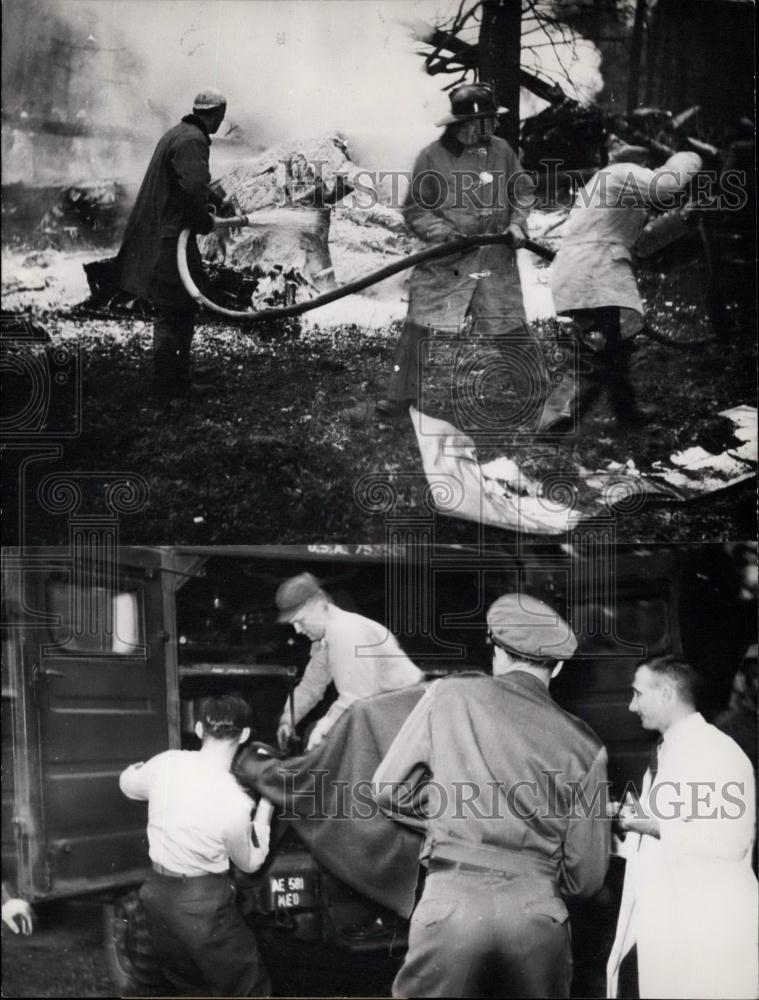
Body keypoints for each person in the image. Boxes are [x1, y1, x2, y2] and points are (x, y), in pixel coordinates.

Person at [372, 593, 610, 998]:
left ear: (497, 651)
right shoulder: (586, 745)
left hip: (452, 904)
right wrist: (538, 878)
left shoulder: (448, 696)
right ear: (560, 665)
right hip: (536, 912)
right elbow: (587, 876)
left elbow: (386, 789)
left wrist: (451, 818)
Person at [375, 82, 536, 421]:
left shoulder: (502, 151)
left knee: (509, 323)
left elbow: (521, 191)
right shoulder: (432, 157)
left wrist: (518, 224)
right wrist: (445, 233)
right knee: (418, 326)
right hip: (447, 260)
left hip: (494, 257)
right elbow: (416, 209)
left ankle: (537, 395)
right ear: (468, 123)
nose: (494, 126)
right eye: (489, 120)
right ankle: (399, 399)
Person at [606, 655, 758, 1000]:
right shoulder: (669, 752)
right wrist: (615, 823)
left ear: (667, 693)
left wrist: (653, 825)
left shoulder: (716, 751)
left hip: (707, 930)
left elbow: (731, 842)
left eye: (638, 694)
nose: (632, 706)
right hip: (673, 923)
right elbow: (661, 833)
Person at [538, 143, 703, 431]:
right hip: (592, 275)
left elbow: (642, 245)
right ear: (640, 164)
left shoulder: (612, 196)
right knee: (591, 360)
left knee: (615, 349)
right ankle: (548, 431)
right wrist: (690, 158)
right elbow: (665, 185)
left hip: (590, 274)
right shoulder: (618, 173)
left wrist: (684, 218)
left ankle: (627, 414)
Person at [119, 693, 273, 997]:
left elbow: (127, 783)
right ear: (244, 735)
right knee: (249, 988)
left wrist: (137, 770)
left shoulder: (166, 763)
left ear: (200, 729)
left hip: (157, 895)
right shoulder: (235, 800)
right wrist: (266, 808)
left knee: (188, 986)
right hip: (200, 905)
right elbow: (250, 863)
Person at [117, 88, 229, 399]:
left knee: (182, 306)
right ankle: (170, 386)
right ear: (217, 116)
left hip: (168, 234)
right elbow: (193, 188)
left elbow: (192, 184)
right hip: (169, 239)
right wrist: (205, 221)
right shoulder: (193, 140)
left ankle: (179, 373)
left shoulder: (178, 133)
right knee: (173, 309)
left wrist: (215, 200)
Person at [275, 572, 424, 752]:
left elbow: (357, 698)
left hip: (405, 720)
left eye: (300, 621)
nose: (297, 630)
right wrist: (288, 719)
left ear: (319, 605)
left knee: (321, 741)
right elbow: (311, 686)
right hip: (385, 716)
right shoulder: (326, 638)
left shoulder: (346, 632)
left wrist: (323, 729)